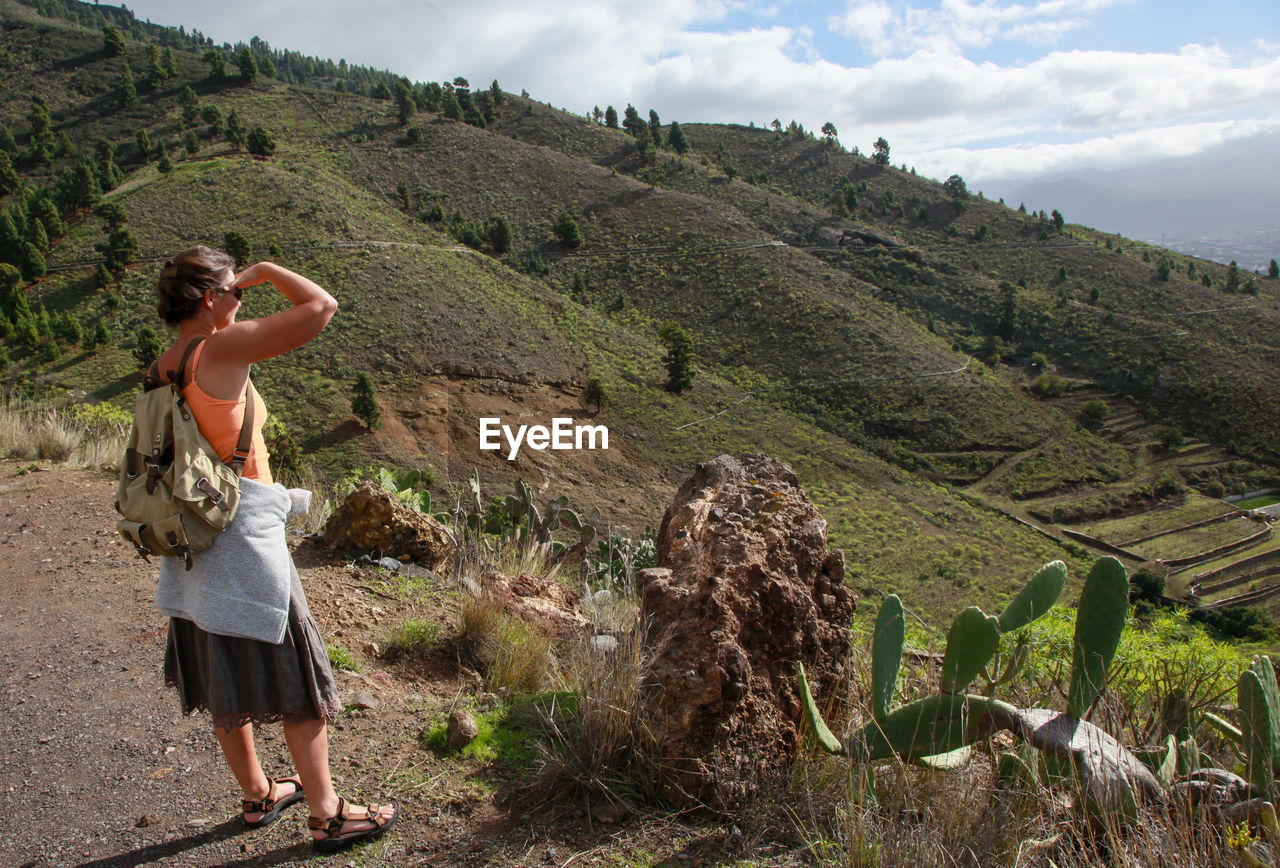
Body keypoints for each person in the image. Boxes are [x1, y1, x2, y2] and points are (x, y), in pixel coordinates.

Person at [150, 245, 398, 852]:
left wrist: (237, 285)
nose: (241, 299)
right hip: (242, 536)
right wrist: (262, 273)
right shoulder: (219, 348)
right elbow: (321, 307)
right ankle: (328, 812)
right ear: (210, 298)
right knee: (296, 672)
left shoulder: (166, 362)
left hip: (192, 535)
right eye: (233, 290)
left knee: (221, 664)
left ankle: (259, 793)